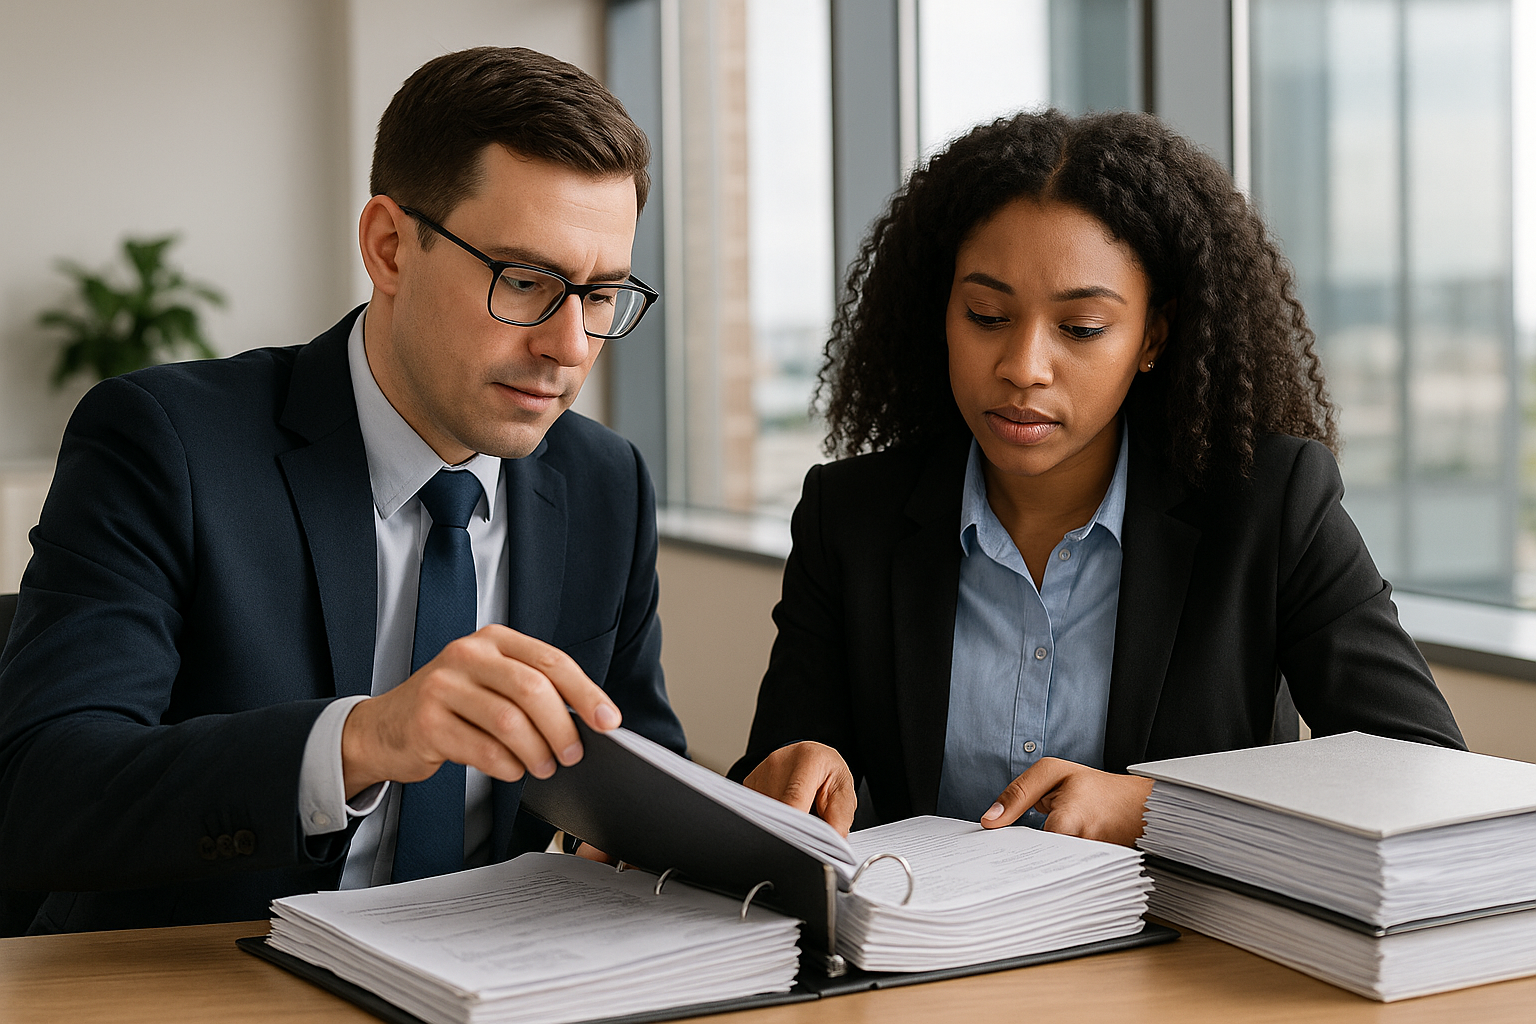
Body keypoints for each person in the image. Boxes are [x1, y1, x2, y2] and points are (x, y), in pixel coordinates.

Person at [0, 46, 685, 934]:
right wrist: (362, 741)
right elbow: (41, 793)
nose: (570, 346)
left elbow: (640, 758)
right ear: (389, 247)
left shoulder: (604, 483)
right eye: (525, 281)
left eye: (600, 295)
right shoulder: (165, 442)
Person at [729, 110, 1464, 846]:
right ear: (942, 311)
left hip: (1185, 954)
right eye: (986, 315)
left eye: (1080, 329)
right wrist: (796, 772)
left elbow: (1420, 769)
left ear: (1154, 336)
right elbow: (769, 780)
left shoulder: (1268, 503)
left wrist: (1156, 810)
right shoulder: (851, 516)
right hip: (923, 952)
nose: (1023, 366)